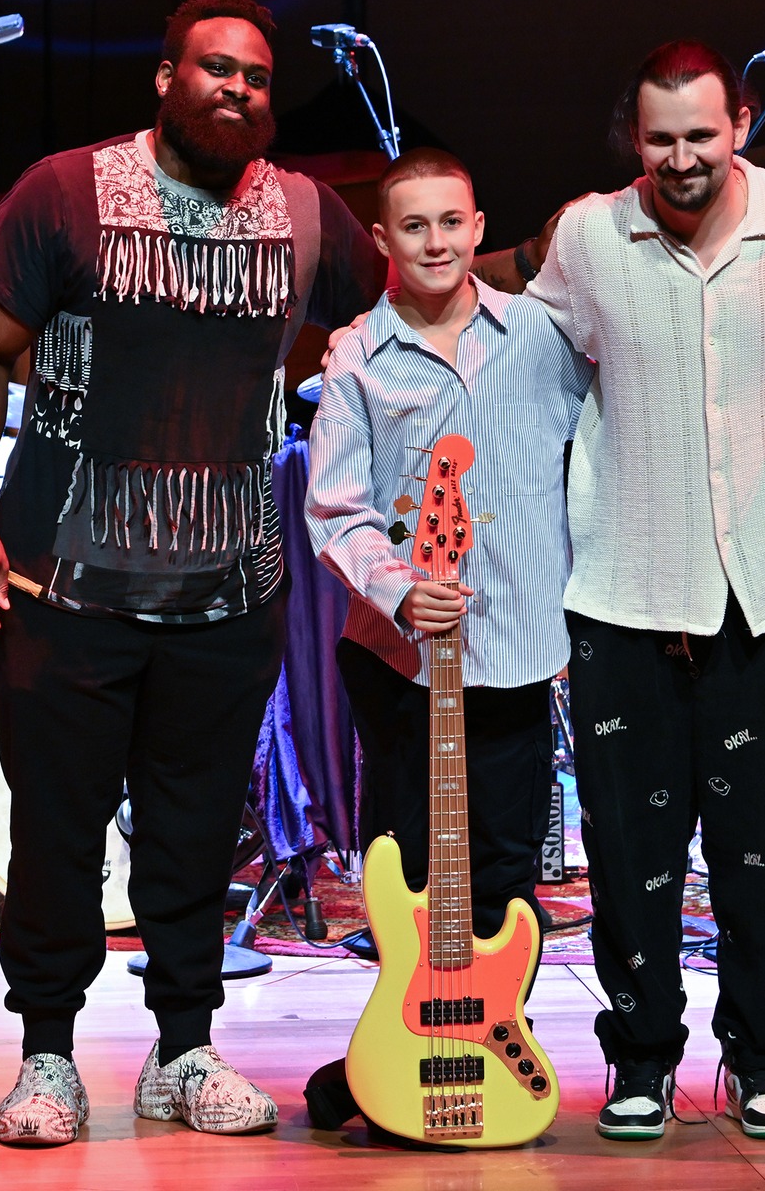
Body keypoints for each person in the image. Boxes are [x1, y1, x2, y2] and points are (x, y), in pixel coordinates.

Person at [0, 0, 380, 1146]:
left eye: (255, 76)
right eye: (214, 68)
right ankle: (46, 1057)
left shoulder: (305, 214)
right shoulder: (65, 192)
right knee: (56, 835)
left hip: (227, 587)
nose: (236, 89)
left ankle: (183, 1052)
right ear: (165, 78)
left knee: (195, 835)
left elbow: (406, 312)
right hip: (63, 583)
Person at [516, 40, 765, 1142]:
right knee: (631, 854)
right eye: (661, 139)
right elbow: (528, 361)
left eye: (702, 136)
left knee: (759, 846)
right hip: (627, 587)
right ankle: (641, 1061)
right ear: (635, 139)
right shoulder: (590, 237)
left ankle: (762, 1058)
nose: (682, 159)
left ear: (741, 127)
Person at [305, 147, 590, 955]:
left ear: (478, 228)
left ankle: (495, 1027)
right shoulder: (358, 355)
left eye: (452, 222)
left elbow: (612, 437)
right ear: (382, 239)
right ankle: (415, 1026)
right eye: (415, 226)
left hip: (514, 646)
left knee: (503, 869)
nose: (436, 242)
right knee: (409, 873)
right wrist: (396, 587)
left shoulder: (539, 334)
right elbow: (334, 505)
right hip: (399, 657)